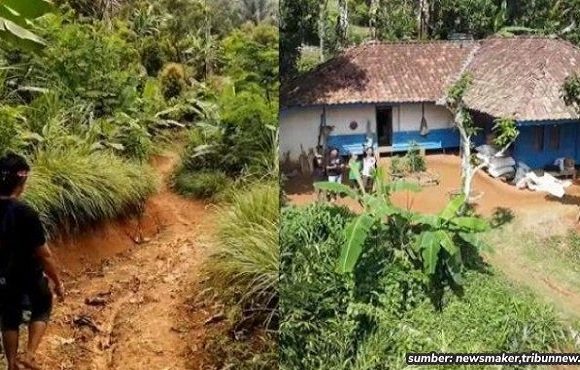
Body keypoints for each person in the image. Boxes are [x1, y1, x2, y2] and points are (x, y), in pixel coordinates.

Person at [0, 153, 64, 370]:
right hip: (27, 274)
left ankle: (11, 364)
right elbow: (44, 254)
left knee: (9, 317)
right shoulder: (25, 213)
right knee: (42, 305)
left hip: (3, 277)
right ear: (21, 181)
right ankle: (29, 355)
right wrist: (57, 281)